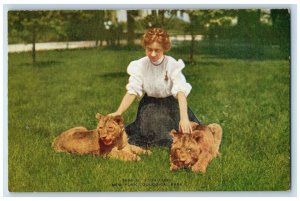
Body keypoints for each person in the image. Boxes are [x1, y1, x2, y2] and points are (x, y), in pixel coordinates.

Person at [109, 28, 201, 147]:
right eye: (149, 50)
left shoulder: (171, 64)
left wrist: (184, 118)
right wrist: (119, 111)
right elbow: (132, 91)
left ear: (164, 49)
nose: (152, 54)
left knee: (186, 131)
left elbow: (180, 92)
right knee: (151, 129)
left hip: (171, 104)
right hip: (150, 104)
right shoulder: (141, 65)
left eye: (157, 50)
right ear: (145, 47)